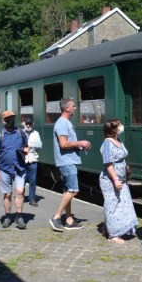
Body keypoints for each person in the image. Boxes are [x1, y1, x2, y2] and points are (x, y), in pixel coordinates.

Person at [49, 97, 92, 232]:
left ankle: (68, 220)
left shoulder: (65, 122)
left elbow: (67, 143)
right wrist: (80, 143)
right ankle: (56, 217)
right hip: (67, 161)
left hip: (68, 160)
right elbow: (63, 143)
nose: (75, 108)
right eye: (73, 106)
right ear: (67, 108)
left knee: (67, 191)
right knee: (74, 190)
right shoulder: (62, 123)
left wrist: (77, 146)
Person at [99, 118, 138, 244]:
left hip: (121, 179)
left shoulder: (118, 140)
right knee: (113, 205)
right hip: (110, 180)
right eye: (119, 125)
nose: (121, 127)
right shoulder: (107, 143)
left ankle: (108, 229)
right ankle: (113, 235)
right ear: (113, 129)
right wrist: (115, 179)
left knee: (122, 204)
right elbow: (108, 163)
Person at [0, 110, 29, 229]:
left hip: (19, 168)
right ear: (3, 121)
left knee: (20, 192)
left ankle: (19, 216)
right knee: (7, 194)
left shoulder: (20, 133)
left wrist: (26, 150)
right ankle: (7, 216)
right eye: (8, 119)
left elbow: (26, 146)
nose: (10, 121)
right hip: (4, 169)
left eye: (12, 118)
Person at [22, 117, 42, 207]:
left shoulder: (36, 133)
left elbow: (40, 145)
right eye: (27, 123)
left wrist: (30, 145)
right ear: (24, 124)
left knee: (32, 180)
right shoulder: (20, 133)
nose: (28, 125)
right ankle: (20, 197)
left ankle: (32, 198)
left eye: (30, 123)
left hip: (33, 159)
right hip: (22, 160)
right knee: (22, 180)